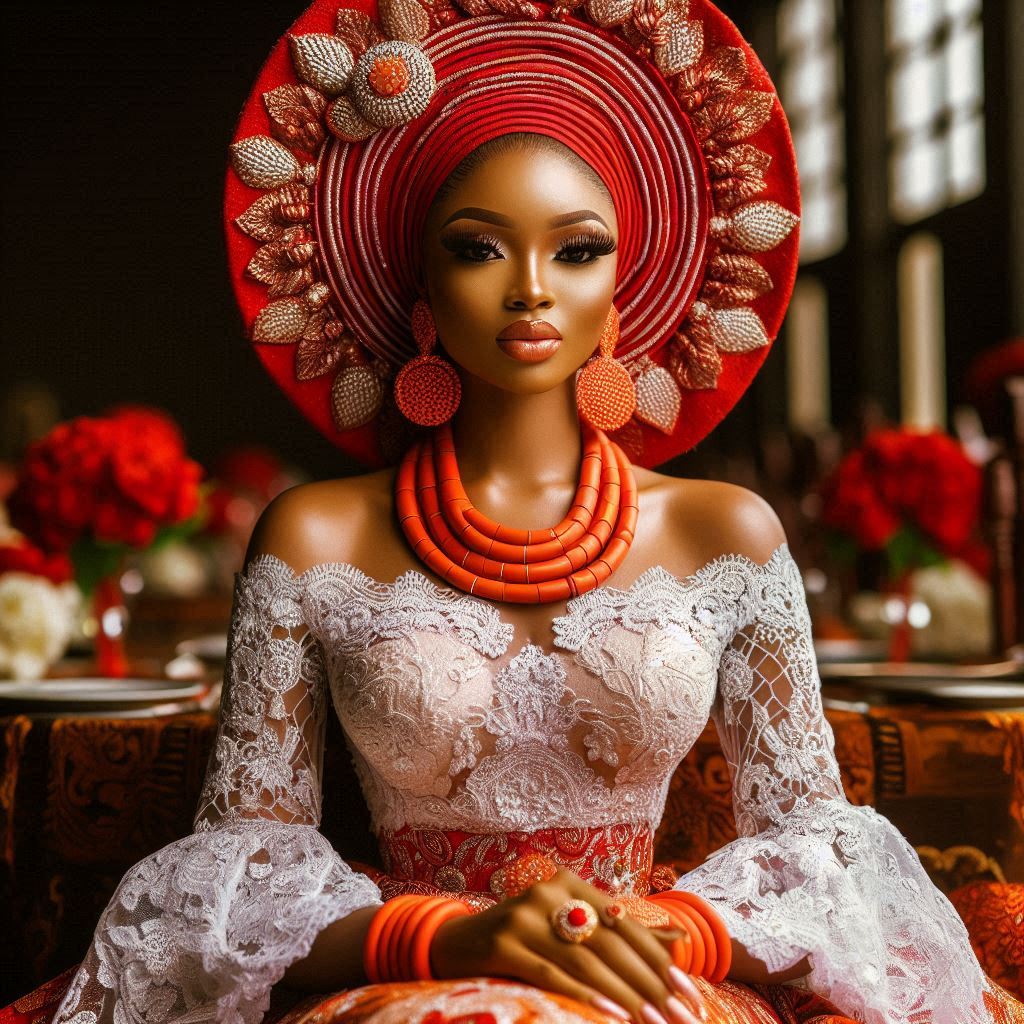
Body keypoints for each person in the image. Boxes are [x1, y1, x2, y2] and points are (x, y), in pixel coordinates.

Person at [36, 0, 1018, 1022]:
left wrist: (677, 928)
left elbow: (818, 846)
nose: (531, 289)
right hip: (409, 976)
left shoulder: (725, 533)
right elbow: (235, 875)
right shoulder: (316, 536)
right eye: (479, 249)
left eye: (578, 249)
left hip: (653, 966)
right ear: (419, 291)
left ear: (623, 293)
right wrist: (449, 933)